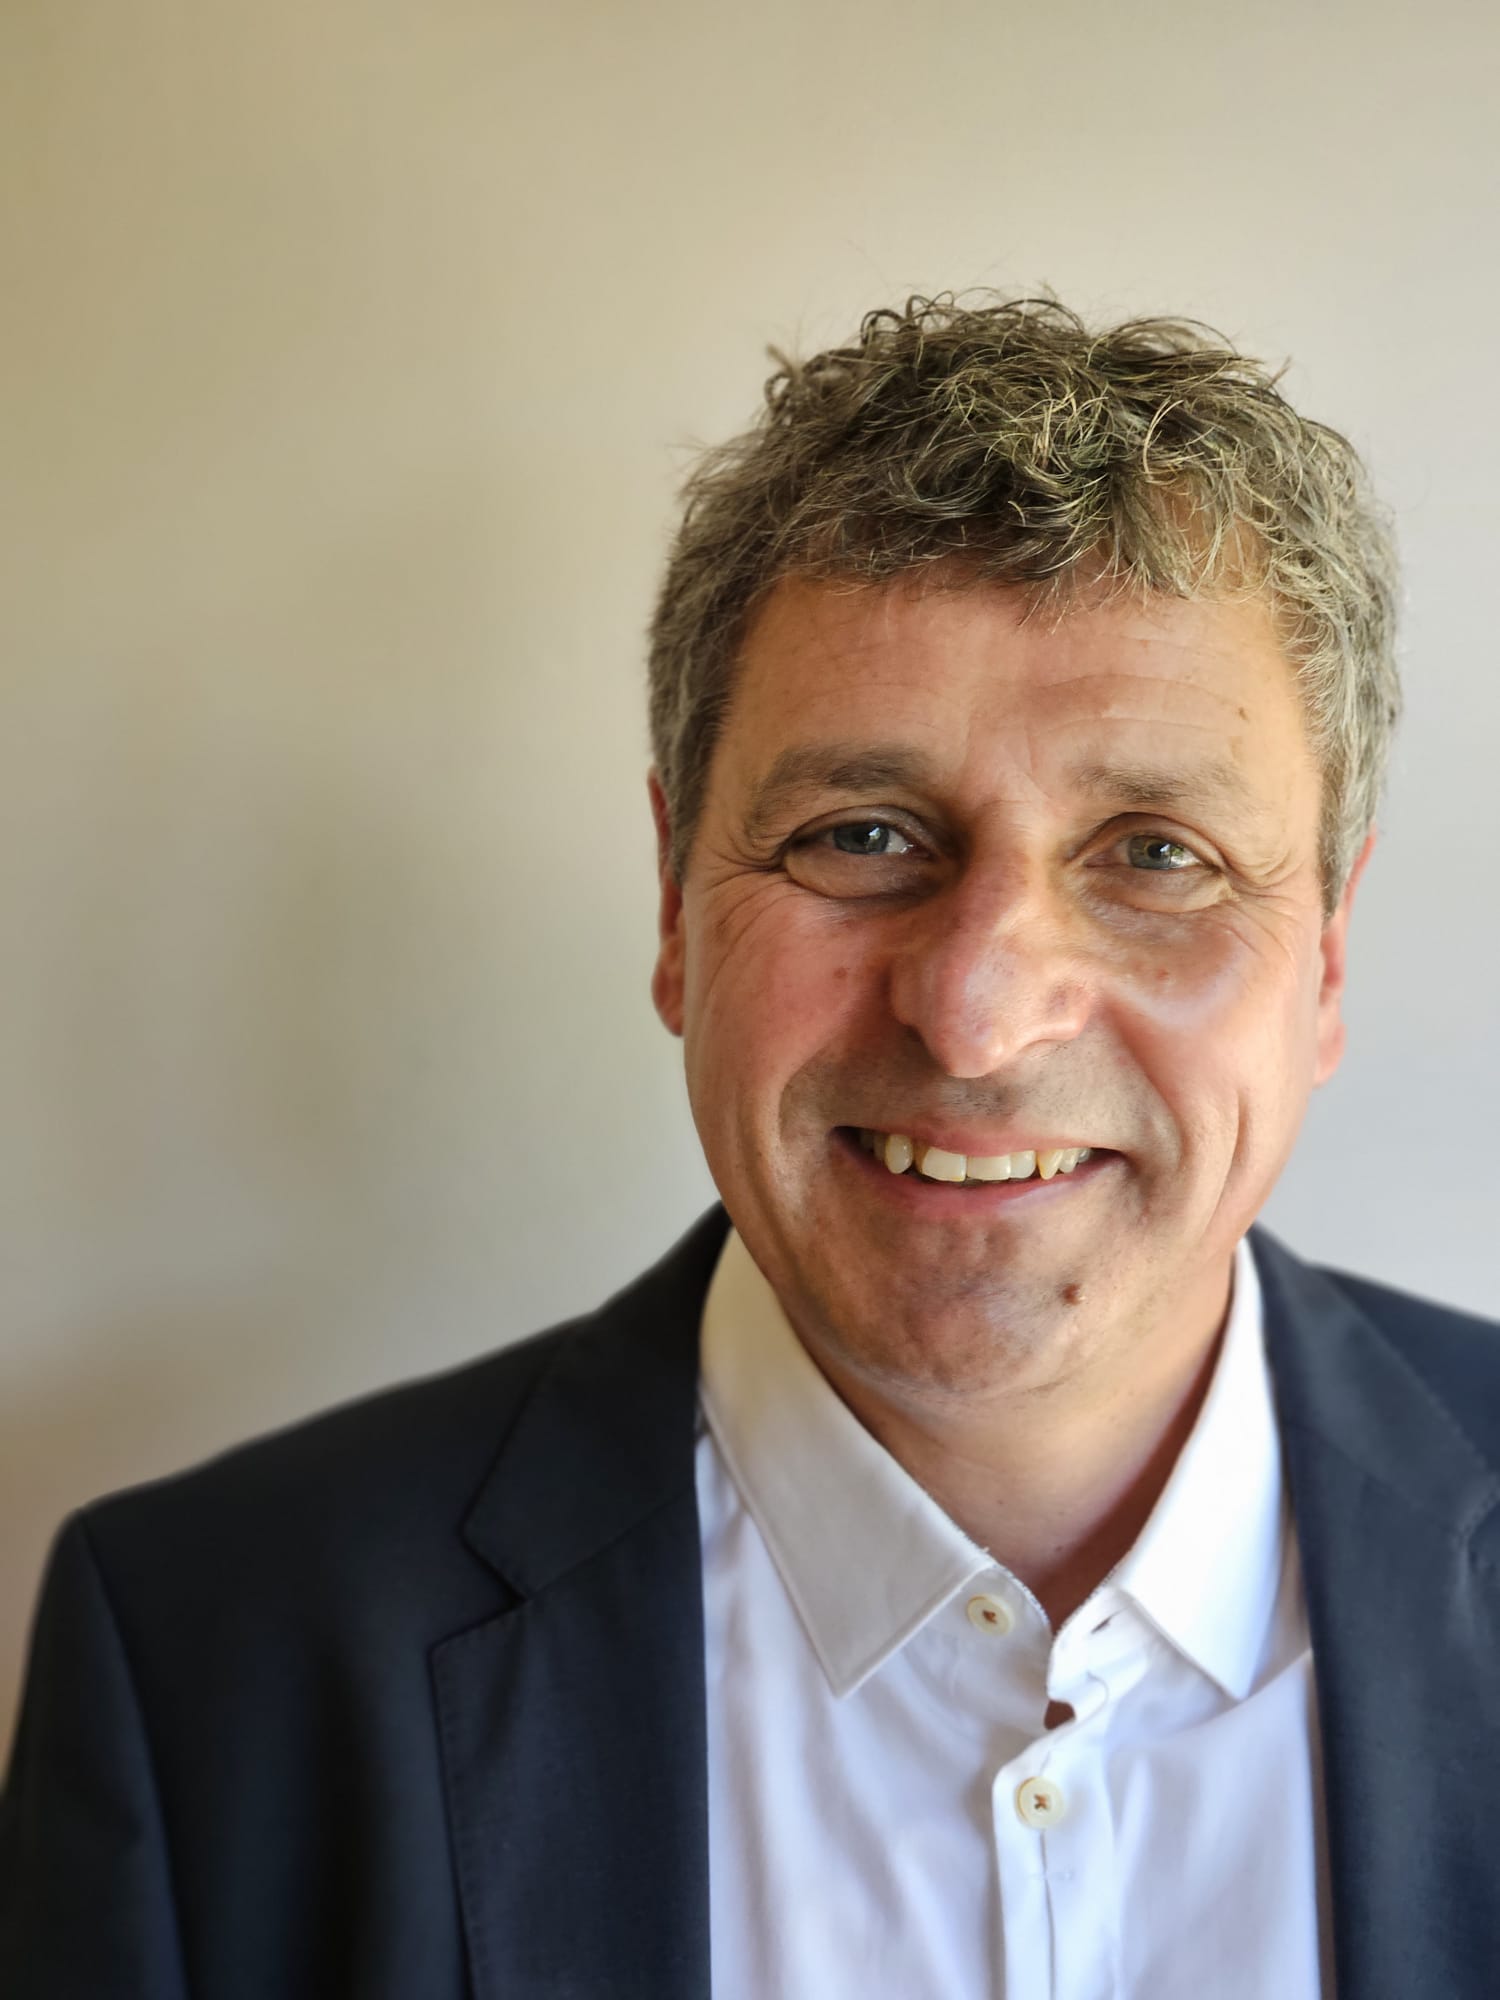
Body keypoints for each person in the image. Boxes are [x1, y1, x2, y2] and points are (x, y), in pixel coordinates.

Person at [2, 296, 1496, 2000]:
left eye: (1156, 853)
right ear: (674, 906)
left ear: (1326, 958)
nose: (978, 1012)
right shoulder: (209, 1666)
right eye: (862, 835)